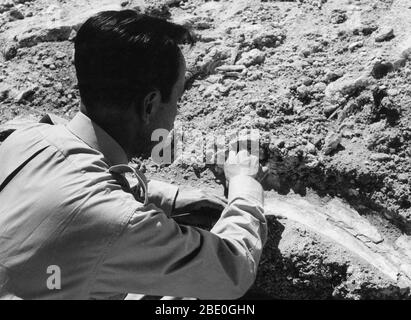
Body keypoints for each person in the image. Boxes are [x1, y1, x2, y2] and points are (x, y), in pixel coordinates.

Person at [0, 10, 267, 300]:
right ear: (149, 105)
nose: (176, 115)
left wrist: (165, 197)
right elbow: (232, 269)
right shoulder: (117, 222)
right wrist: (245, 184)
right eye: (176, 100)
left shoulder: (23, 134)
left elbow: (64, 197)